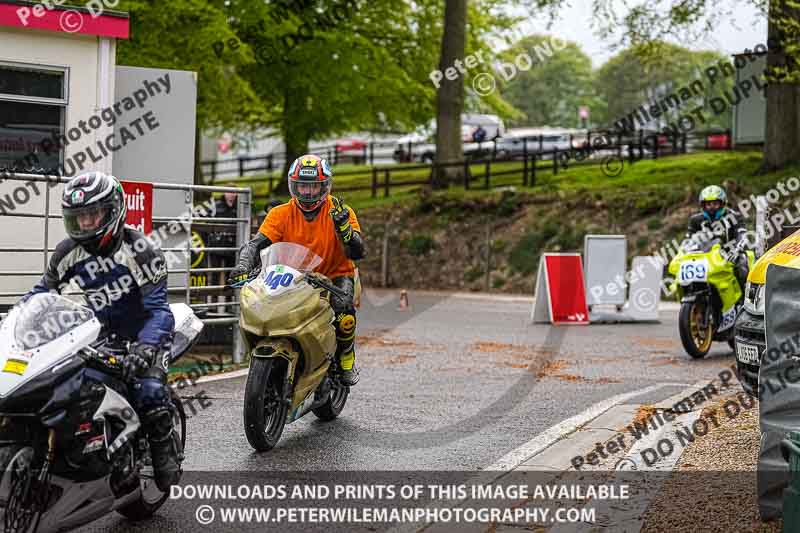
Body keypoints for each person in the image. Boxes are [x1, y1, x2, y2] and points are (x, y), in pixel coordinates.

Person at [24, 172, 179, 491]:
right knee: (69, 386)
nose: (86, 224)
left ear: (114, 211)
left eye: (93, 214)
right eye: (78, 217)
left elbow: (160, 310)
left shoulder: (142, 251)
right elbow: (41, 294)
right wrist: (14, 322)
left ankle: (165, 450)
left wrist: (145, 347)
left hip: (145, 334)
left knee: (148, 390)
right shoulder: (67, 250)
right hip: (101, 334)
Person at [228, 155, 366, 386]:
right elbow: (255, 244)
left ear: (325, 187)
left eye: (314, 186)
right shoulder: (279, 214)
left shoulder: (342, 211)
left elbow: (358, 253)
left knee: (344, 314)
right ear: (293, 185)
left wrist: (347, 233)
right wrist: (243, 265)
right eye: (303, 185)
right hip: (291, 276)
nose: (308, 193)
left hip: (335, 275)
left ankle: (346, 358)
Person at [686, 184, 749, 291]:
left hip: (730, 253)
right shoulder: (695, 220)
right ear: (703, 205)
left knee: (741, 264)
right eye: (708, 204)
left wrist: (737, 249)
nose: (711, 207)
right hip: (705, 255)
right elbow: (688, 240)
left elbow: (742, 235)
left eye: (715, 204)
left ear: (722, 204)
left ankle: (745, 300)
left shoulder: (734, 216)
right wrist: (685, 251)